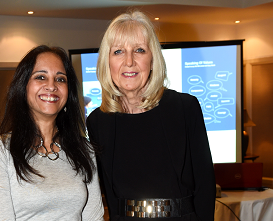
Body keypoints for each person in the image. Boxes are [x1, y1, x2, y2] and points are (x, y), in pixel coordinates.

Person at [86, 10, 215, 221]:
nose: (129, 61)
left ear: (152, 59)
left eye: (139, 50)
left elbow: (205, 187)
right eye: (118, 51)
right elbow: (109, 196)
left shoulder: (185, 107)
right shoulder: (98, 121)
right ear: (107, 62)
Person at [0, 45, 104, 221]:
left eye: (60, 79)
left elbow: (94, 217)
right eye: (41, 77)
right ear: (23, 87)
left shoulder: (84, 150)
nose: (51, 86)